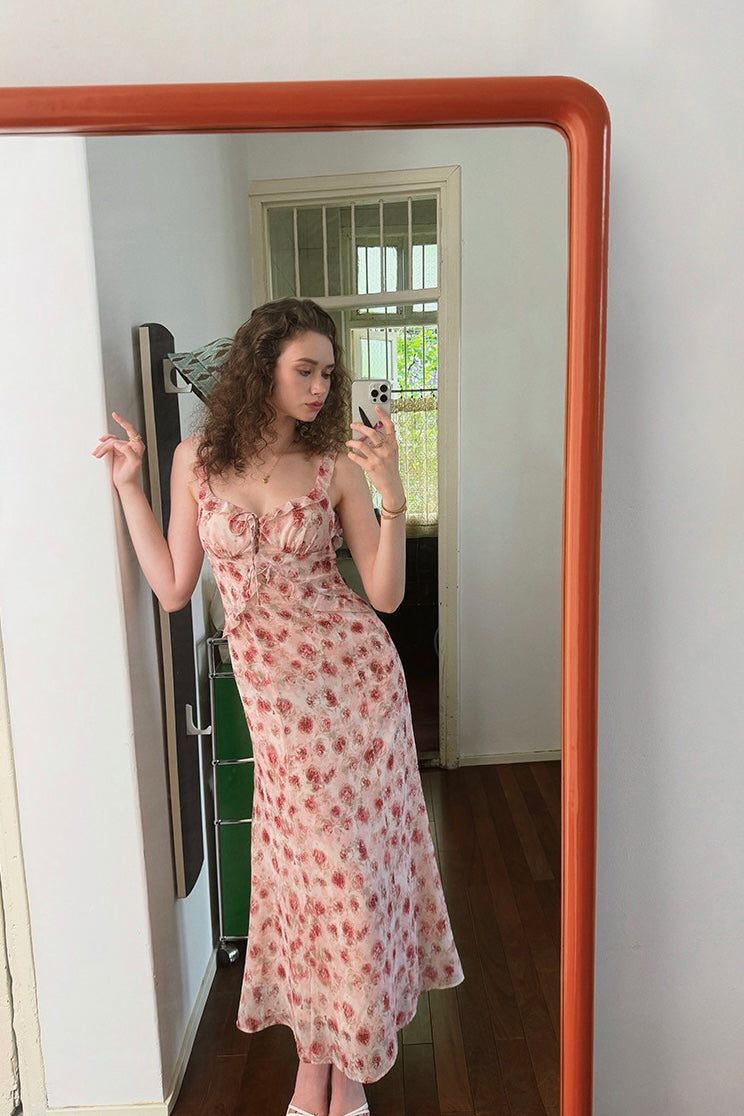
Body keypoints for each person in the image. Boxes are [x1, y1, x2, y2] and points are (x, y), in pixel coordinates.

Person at [93, 298, 463, 1116]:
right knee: (305, 884)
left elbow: (386, 596)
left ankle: (343, 1069)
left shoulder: (333, 463)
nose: (321, 387)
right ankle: (318, 1063)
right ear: (261, 367)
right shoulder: (194, 462)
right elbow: (173, 587)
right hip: (277, 710)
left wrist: (393, 493)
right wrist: (128, 489)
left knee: (351, 883)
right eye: (306, 369)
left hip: (357, 695)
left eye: (328, 373)